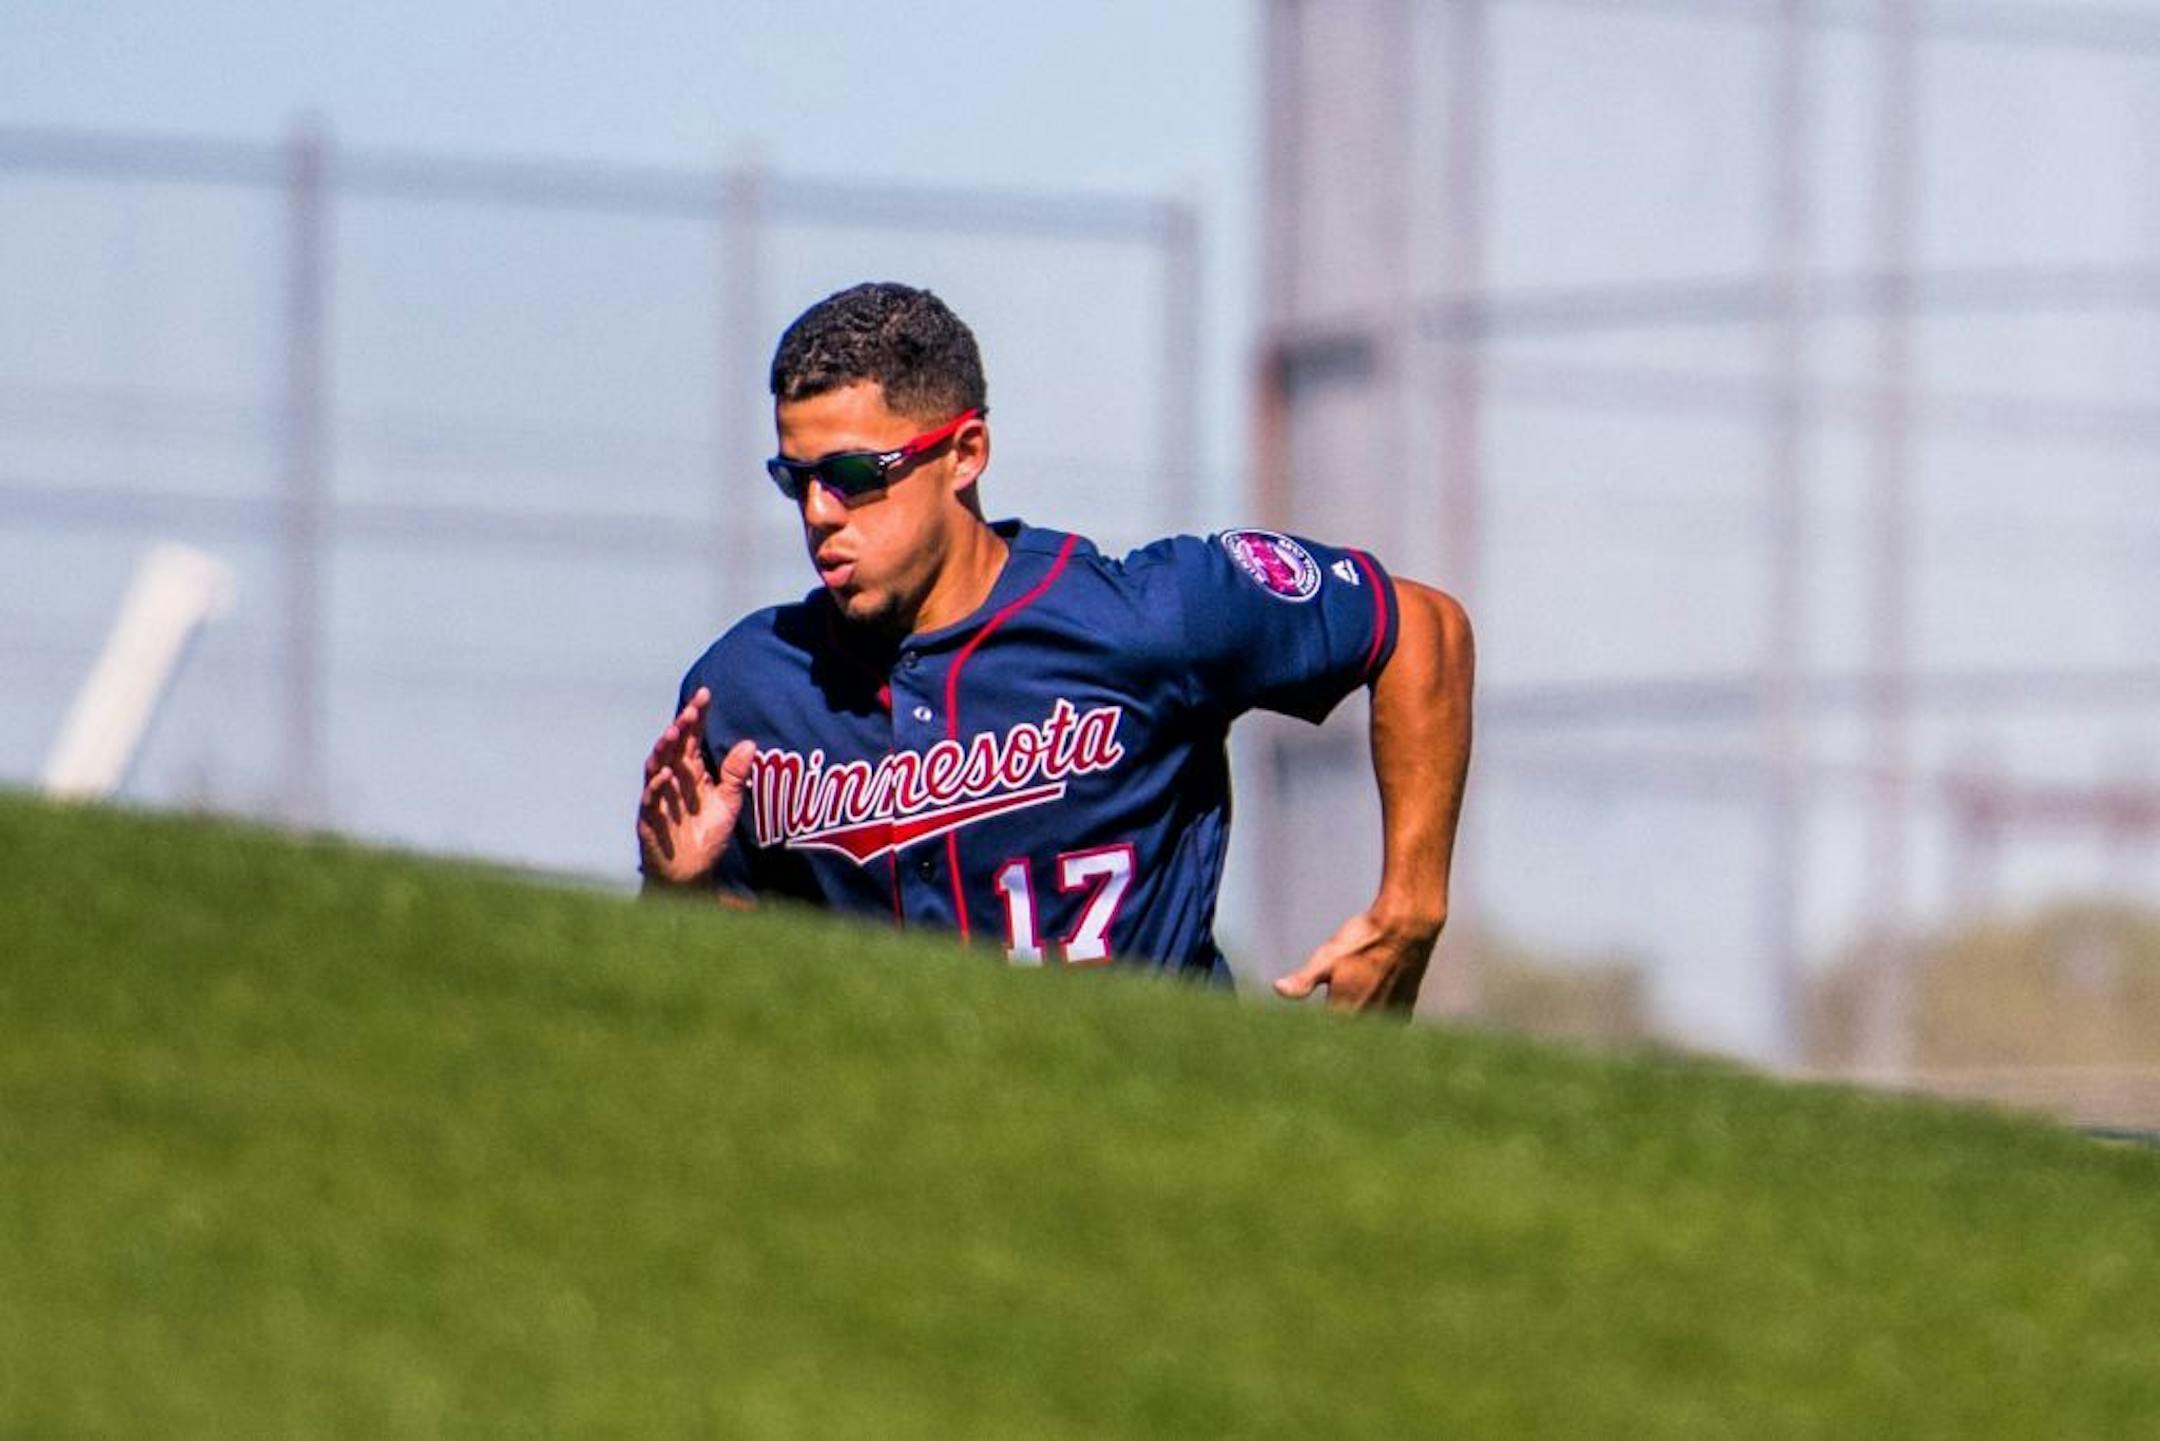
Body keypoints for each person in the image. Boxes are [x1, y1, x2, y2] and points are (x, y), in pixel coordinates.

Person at [637, 282, 1472, 1011]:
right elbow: (737, 993)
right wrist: (681, 893)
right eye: (796, 479)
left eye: (853, 475)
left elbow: (1417, 628)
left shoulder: (1145, 618)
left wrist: (1410, 909)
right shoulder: (747, 689)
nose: (820, 511)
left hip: (1152, 1123)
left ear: (965, 454)